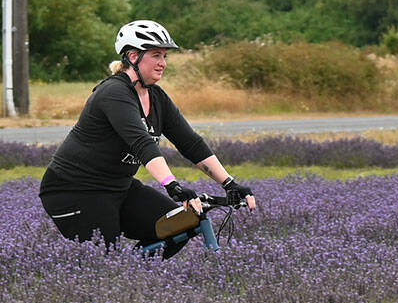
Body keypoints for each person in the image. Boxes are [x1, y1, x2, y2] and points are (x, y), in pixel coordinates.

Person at [38, 20, 258, 259]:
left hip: (118, 186)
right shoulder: (113, 93)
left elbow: (191, 143)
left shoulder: (157, 97)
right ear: (133, 56)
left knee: (181, 223)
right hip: (74, 189)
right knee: (105, 258)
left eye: (164, 56)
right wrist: (172, 186)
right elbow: (142, 143)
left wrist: (229, 184)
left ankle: (134, 279)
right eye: (156, 55)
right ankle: (110, 283)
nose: (163, 63)